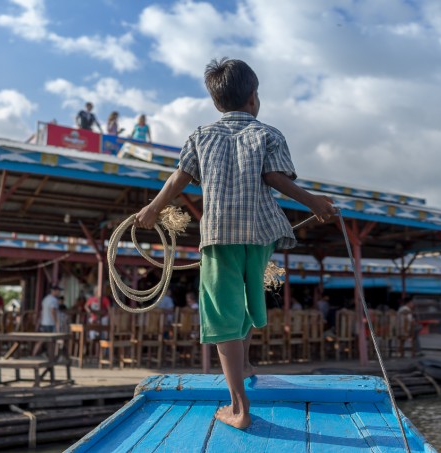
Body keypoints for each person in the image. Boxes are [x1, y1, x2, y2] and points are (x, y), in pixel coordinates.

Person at [135, 57, 336, 430]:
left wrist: (151, 209)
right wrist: (316, 203)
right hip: (260, 234)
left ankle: (239, 409)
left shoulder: (200, 136)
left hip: (220, 235)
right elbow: (275, 178)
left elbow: (179, 179)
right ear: (254, 99)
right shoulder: (269, 134)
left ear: (216, 102)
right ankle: (243, 367)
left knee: (224, 310)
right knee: (245, 300)